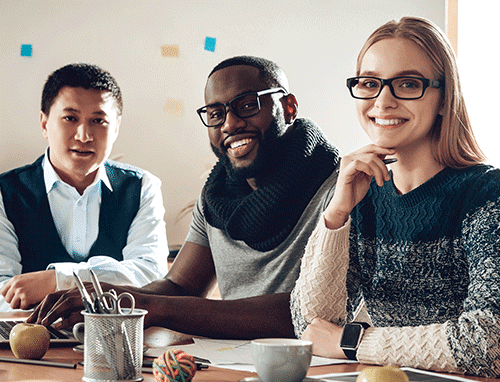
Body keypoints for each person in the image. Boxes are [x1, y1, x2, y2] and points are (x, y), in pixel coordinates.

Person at [28, 56, 340, 339]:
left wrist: (152, 306)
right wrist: (110, 299)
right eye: (216, 114)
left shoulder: (341, 189)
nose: (230, 124)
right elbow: (179, 286)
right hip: (232, 364)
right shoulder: (217, 196)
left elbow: (308, 309)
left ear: (288, 107)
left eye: (247, 105)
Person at [290, 16, 500, 378]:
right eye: (370, 84)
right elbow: (310, 326)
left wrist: (354, 343)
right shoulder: (362, 193)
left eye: (407, 84)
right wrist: (337, 214)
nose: (383, 101)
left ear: (444, 98)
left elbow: (488, 344)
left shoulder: (487, 194)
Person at [0, 63, 169, 312]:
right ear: (44, 124)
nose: (84, 135)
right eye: (70, 118)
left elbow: (150, 275)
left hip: (120, 339)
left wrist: (59, 280)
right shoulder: (5, 192)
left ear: (116, 128)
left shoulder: (142, 187)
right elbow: (4, 290)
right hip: (30, 341)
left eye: (98, 120)